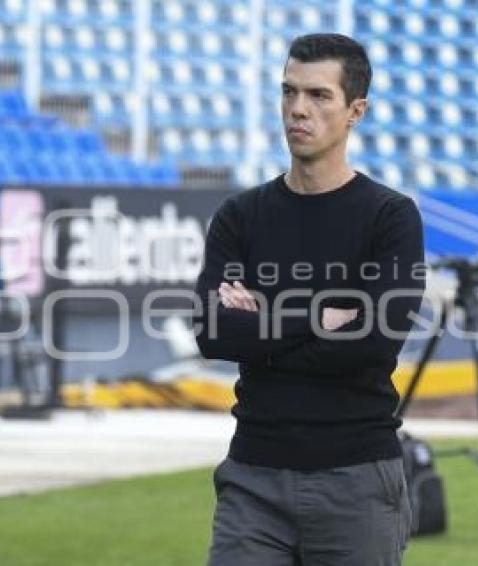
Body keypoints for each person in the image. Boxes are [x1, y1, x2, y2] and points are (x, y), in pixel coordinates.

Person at [195, 33, 426, 565]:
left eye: (319, 96)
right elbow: (213, 332)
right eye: (288, 91)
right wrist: (321, 315)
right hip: (253, 475)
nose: (298, 109)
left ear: (355, 111)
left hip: (357, 479)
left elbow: (372, 342)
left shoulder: (389, 217)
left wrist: (262, 328)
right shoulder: (240, 215)